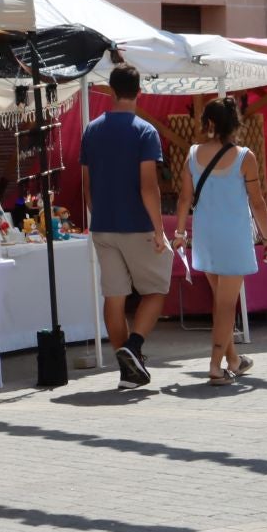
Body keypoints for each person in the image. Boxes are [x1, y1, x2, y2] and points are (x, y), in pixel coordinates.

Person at [80, 63, 171, 390]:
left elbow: (86, 185)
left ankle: (128, 372)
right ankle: (133, 348)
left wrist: (98, 213)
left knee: (114, 298)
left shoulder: (91, 130)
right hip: (137, 224)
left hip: (103, 225)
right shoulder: (145, 132)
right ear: (139, 91)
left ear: (110, 91)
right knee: (157, 290)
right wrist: (159, 229)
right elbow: (149, 186)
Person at [175, 98, 267, 386]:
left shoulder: (193, 154)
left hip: (205, 235)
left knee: (221, 302)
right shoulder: (245, 157)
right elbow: (257, 202)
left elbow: (184, 199)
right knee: (226, 306)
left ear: (210, 123)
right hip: (234, 236)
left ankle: (233, 359)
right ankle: (216, 365)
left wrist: (180, 233)